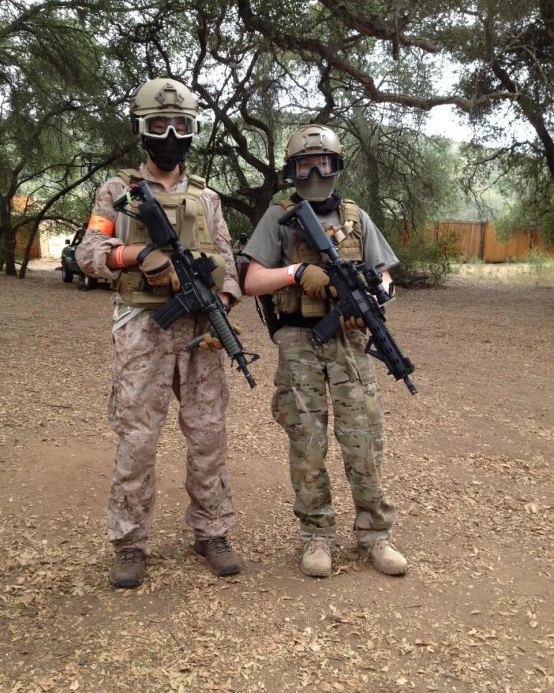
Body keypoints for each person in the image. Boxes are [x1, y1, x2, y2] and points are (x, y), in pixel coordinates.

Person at [76, 78, 242, 587]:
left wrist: (225, 304)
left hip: (199, 331)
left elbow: (229, 264)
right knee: (137, 439)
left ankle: (212, 532)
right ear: (140, 130)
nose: (170, 135)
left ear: (193, 133)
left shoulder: (208, 198)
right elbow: (87, 254)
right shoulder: (115, 192)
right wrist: (136, 255)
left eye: (181, 126)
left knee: (208, 434)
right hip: (142, 330)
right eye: (158, 125)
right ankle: (129, 543)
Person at [243, 124, 407, 578]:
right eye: (305, 164)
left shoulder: (356, 217)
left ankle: (376, 535)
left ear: (338, 165)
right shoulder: (279, 215)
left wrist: (373, 300)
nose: (316, 171)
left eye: (324, 163)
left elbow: (386, 277)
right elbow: (252, 281)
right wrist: (297, 273)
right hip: (298, 341)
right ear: (292, 170)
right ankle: (316, 534)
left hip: (350, 343)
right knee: (307, 442)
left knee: (364, 440)